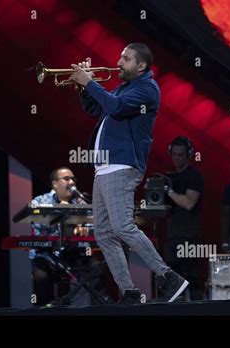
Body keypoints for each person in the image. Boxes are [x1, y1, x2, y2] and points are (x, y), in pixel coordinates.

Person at [69, 42, 188, 304]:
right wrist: (84, 88)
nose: (119, 62)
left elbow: (116, 108)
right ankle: (130, 291)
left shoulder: (146, 89)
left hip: (121, 165)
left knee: (122, 226)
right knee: (102, 232)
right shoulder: (126, 87)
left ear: (141, 65)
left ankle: (168, 277)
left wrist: (90, 83)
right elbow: (96, 108)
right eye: (121, 57)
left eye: (126, 58)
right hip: (105, 167)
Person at [30, 167, 102, 306]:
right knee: (41, 275)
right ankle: (44, 310)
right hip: (48, 254)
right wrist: (60, 211)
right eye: (66, 178)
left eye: (73, 179)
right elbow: (38, 226)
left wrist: (85, 229)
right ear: (55, 183)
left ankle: (100, 308)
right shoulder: (39, 200)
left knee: (96, 267)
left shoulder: (81, 202)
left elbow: (93, 224)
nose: (71, 182)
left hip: (75, 252)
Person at [163, 136, 204, 300]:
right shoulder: (168, 177)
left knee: (192, 280)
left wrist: (168, 191)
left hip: (189, 237)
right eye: (174, 154)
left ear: (189, 154)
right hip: (172, 236)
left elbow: (188, 203)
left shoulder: (194, 176)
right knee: (173, 282)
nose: (177, 158)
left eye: (180, 154)